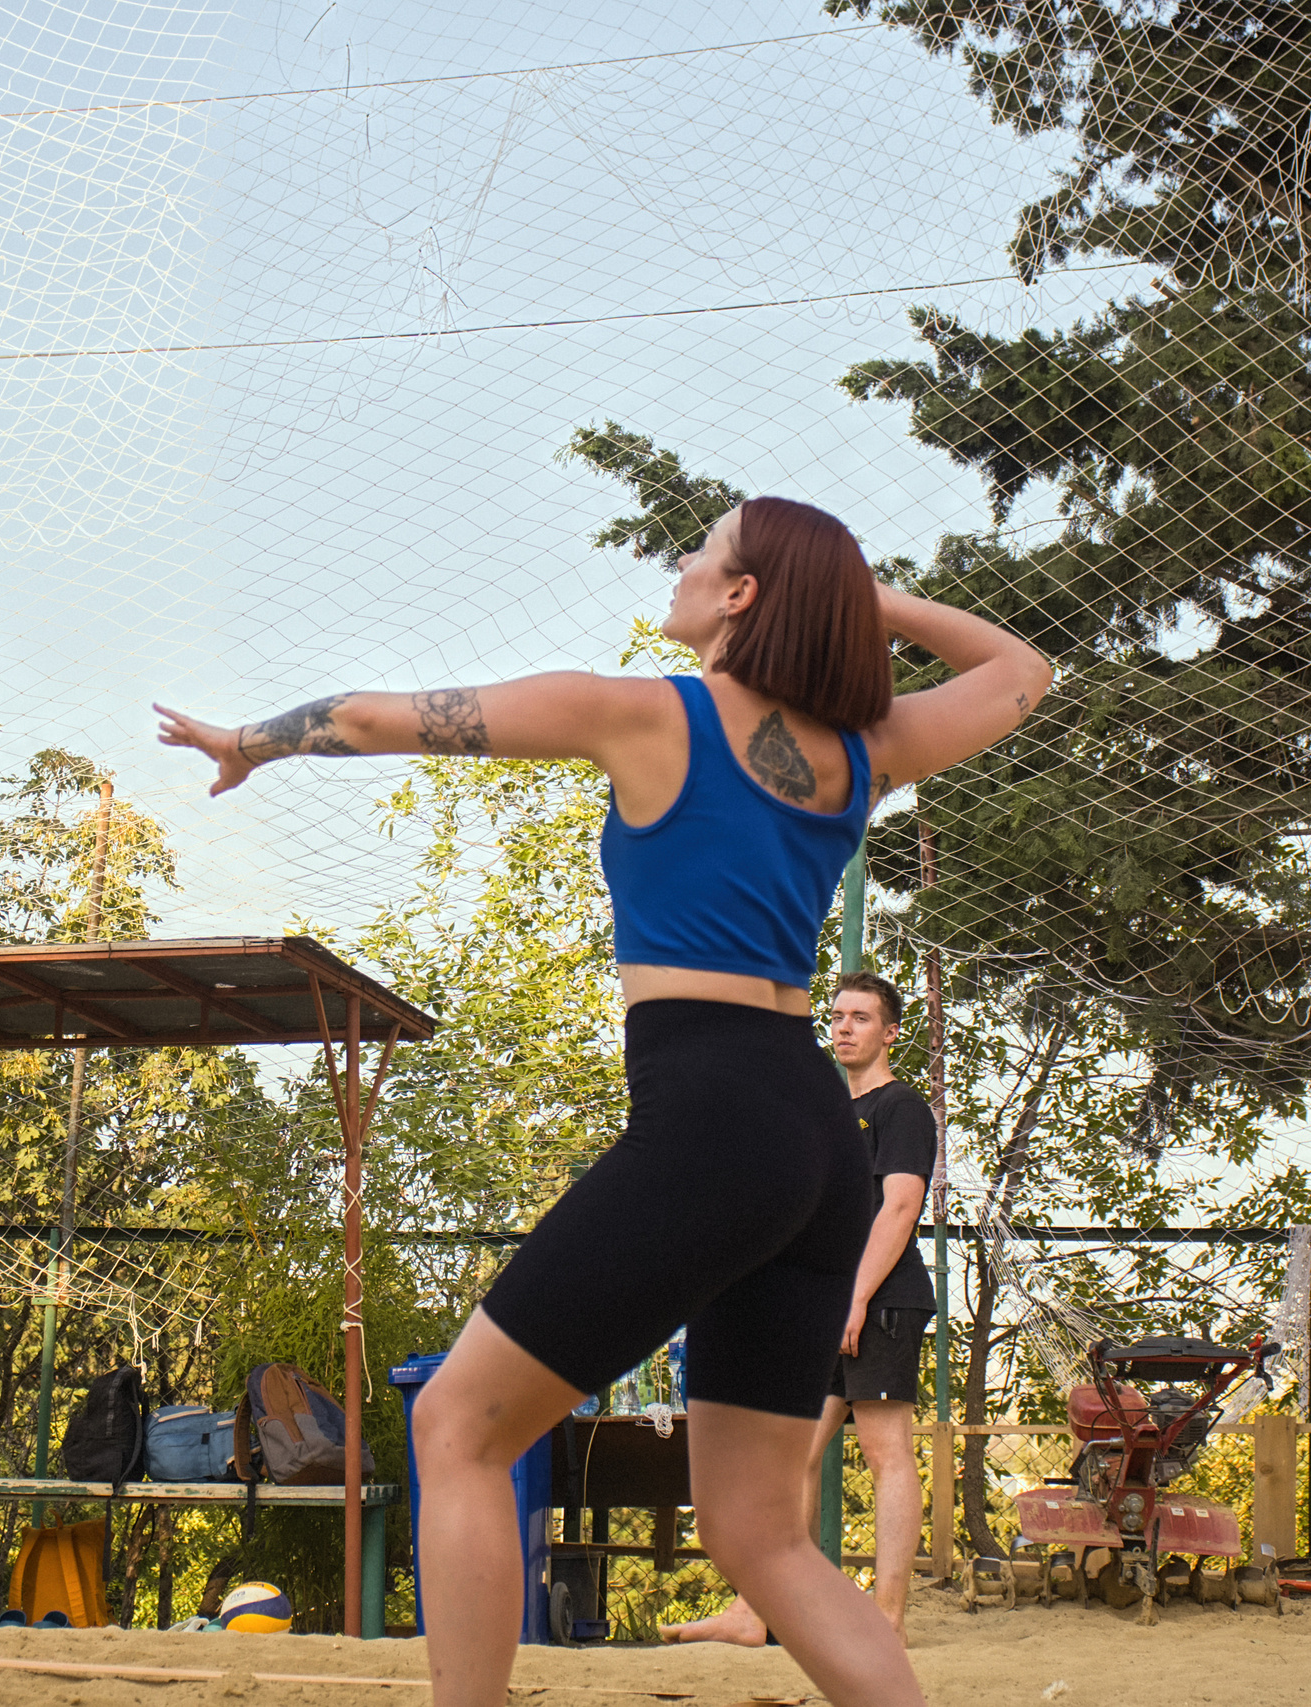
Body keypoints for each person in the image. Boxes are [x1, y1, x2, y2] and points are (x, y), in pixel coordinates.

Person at [158, 496, 1047, 1707]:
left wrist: (245, 743)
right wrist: (859, 598)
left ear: (739, 595)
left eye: (706, 550)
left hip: (716, 1118)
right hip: (812, 1136)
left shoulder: (641, 713)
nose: (683, 562)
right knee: (759, 1533)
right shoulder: (863, 751)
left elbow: (370, 719)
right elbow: (1020, 672)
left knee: (457, 1429)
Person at [660, 971, 936, 1645]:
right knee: (788, 1456)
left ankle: (888, 1619)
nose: (844, 1027)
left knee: (885, 1450)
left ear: (890, 1032)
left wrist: (857, 1297)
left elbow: (901, 1207)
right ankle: (764, 1611)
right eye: (837, 1016)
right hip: (823, 1306)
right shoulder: (825, 1115)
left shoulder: (902, 1107)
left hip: (881, 1300)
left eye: (861, 1017)